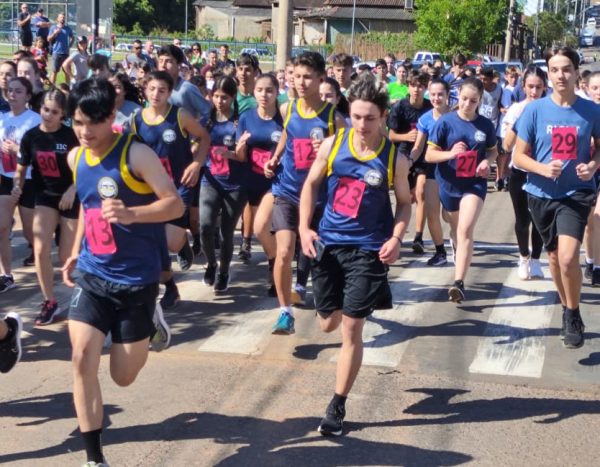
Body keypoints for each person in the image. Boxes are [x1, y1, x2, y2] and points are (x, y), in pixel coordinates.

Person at [62, 77, 183, 466]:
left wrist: (131, 213)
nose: (84, 132)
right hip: (94, 276)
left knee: (122, 377)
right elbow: (88, 203)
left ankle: (152, 322)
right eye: (78, 123)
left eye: (92, 123)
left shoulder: (136, 154)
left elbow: (175, 206)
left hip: (136, 281)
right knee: (81, 357)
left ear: (112, 117)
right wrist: (76, 250)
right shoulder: (76, 157)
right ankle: (94, 458)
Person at [299, 72, 411, 436]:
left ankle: (337, 404)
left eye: (371, 118)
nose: (362, 125)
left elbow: (406, 204)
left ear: (383, 117)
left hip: (368, 250)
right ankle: (339, 311)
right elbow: (311, 184)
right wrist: (304, 227)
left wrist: (396, 237)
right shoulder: (332, 145)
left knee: (350, 327)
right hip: (328, 246)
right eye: (357, 117)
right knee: (327, 322)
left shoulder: (395, 158)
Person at [513, 47, 600, 349]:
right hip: (540, 193)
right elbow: (518, 156)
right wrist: (542, 168)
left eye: (566, 69)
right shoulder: (534, 111)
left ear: (577, 72)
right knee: (552, 257)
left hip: (576, 193)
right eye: (554, 69)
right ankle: (566, 306)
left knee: (567, 258)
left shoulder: (591, 111)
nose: (560, 75)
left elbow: (599, 147)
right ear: (548, 74)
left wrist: (592, 165)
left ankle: (573, 314)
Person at [264, 51, 346, 333]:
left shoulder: (333, 117)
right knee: (284, 252)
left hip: (320, 199)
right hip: (287, 191)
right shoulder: (287, 108)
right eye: (296, 76)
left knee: (321, 259)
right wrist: (274, 158)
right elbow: (287, 134)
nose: (301, 82)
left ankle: (335, 298)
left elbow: (346, 156)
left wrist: (328, 149)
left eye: (307, 77)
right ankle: (285, 312)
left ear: (321, 79)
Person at [131, 70, 209, 308]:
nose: (156, 94)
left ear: (169, 93)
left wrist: (196, 164)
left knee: (168, 243)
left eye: (162, 90)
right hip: (150, 190)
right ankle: (170, 288)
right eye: (152, 89)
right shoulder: (136, 120)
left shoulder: (180, 116)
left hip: (179, 187)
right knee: (154, 244)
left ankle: (181, 244)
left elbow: (204, 137)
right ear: (145, 90)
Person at [425, 77, 498, 303]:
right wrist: (450, 154)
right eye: (464, 99)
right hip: (448, 183)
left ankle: (458, 283)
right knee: (454, 227)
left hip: (474, 183)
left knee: (466, 230)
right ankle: (456, 245)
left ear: (479, 101)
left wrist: (487, 162)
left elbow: (493, 151)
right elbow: (429, 155)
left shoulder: (486, 125)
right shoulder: (445, 122)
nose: (467, 104)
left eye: (473, 101)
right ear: (458, 97)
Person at [11, 88, 79, 324]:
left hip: (71, 196)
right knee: (40, 249)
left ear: (63, 115)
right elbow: (20, 170)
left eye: (54, 112)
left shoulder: (70, 136)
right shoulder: (31, 137)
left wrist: (73, 189)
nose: (48, 115)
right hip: (46, 197)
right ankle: (49, 301)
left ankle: (85, 295)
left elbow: (85, 166)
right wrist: (17, 186)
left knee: (66, 256)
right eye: (45, 109)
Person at [199, 76, 246, 292]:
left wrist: (231, 153)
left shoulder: (239, 123)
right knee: (206, 226)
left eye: (224, 97)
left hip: (235, 184)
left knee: (227, 232)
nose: (219, 101)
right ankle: (211, 263)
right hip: (210, 181)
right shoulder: (205, 122)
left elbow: (246, 157)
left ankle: (224, 271)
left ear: (233, 97)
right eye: (216, 96)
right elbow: (195, 146)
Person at [236, 73, 283, 289]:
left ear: (277, 92)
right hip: (251, 179)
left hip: (275, 182)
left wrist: (275, 161)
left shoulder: (283, 118)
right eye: (260, 90)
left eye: (269, 90)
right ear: (254, 92)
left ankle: (276, 267)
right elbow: (240, 156)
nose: (264, 95)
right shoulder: (246, 117)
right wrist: (240, 148)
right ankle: (276, 262)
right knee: (265, 231)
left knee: (260, 228)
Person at [502, 66, 547, 280]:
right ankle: (523, 257)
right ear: (523, 87)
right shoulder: (516, 110)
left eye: (538, 87)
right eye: (530, 86)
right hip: (519, 171)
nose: (534, 91)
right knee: (522, 219)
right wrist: (522, 121)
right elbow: (507, 145)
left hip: (541, 172)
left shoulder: (550, 109)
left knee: (540, 219)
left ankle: (537, 260)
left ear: (545, 88)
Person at [0, 77, 41, 293]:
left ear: (27, 96)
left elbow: (40, 154)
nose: (12, 95)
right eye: (10, 91)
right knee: (2, 227)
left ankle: (39, 252)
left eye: (18, 91)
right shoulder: (2, 118)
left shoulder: (35, 121)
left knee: (28, 231)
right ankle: (6, 276)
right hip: (5, 179)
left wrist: (18, 150)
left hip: (29, 180)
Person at [388, 71, 432, 254]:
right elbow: (390, 135)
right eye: (413, 85)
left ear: (425, 87)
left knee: (421, 192)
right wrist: (405, 136)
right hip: (403, 154)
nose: (417, 89)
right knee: (403, 197)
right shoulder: (399, 107)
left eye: (421, 86)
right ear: (408, 86)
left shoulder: (430, 107)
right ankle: (396, 234)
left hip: (424, 155)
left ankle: (418, 237)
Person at [409, 78, 451, 266]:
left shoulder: (456, 115)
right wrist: (408, 161)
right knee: (432, 212)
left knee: (449, 215)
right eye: (432, 94)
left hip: (454, 170)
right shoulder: (425, 119)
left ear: (447, 95)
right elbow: (418, 147)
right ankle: (440, 251)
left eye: (440, 94)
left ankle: (457, 240)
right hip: (433, 169)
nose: (436, 98)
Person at [48, 12, 74, 84]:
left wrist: (70, 45)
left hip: (65, 53)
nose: (62, 19)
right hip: (56, 53)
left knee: (67, 71)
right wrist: (55, 33)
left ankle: (68, 87)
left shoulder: (67, 29)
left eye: (63, 17)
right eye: (61, 17)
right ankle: (51, 88)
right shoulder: (53, 28)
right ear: (57, 19)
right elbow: (48, 39)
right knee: (54, 71)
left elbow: (72, 37)